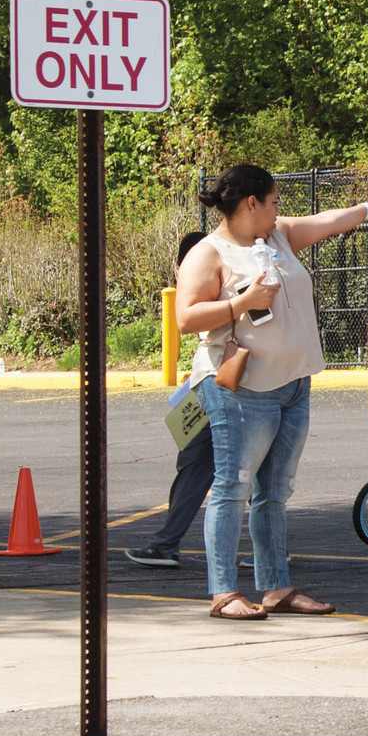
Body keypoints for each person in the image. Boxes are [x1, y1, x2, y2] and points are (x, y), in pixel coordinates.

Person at [176, 165, 368, 621]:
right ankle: (223, 592)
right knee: (232, 488)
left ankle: (276, 587)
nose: (280, 211)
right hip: (243, 390)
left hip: (293, 384)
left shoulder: (277, 236)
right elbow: (186, 318)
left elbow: (328, 221)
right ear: (250, 203)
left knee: (274, 492)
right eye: (274, 202)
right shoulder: (207, 253)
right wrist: (240, 303)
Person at [126, 232, 218, 571]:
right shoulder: (211, 285)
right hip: (205, 387)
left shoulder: (219, 287)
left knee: (220, 467)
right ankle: (166, 544)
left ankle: (166, 544)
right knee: (196, 462)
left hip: (222, 390)